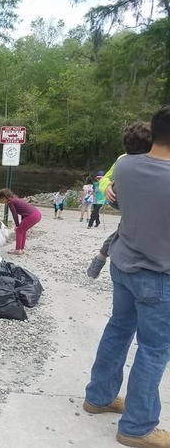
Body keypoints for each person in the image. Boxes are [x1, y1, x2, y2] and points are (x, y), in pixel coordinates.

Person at [83, 106, 170, 448]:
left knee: (118, 330)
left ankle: (98, 397)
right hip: (158, 275)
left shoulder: (125, 165)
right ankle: (137, 428)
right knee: (153, 349)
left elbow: (114, 193)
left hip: (122, 264)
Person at [86, 122, 152, 279]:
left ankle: (101, 257)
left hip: (142, 204)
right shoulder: (122, 160)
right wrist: (106, 186)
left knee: (123, 230)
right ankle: (102, 258)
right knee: (125, 229)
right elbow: (105, 178)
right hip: (130, 203)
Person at [0, 188, 41, 255]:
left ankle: (17, 250)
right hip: (37, 214)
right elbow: (24, 212)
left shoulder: (10, 202)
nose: (1, 201)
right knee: (22, 230)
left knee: (19, 231)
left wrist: (17, 225)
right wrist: (20, 224)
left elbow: (15, 214)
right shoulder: (15, 199)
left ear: (4, 197)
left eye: (1, 199)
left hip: (32, 215)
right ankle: (21, 249)